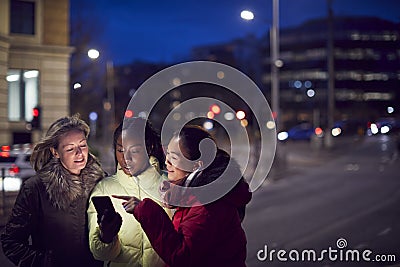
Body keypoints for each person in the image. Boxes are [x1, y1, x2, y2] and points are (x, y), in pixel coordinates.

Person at [114, 125, 252, 267]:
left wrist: (147, 211)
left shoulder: (207, 205)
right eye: (167, 154)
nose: (167, 162)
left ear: (196, 165)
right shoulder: (197, 195)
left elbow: (182, 256)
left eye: (173, 157)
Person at [1, 114, 106, 267]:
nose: (79, 153)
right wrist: (44, 262)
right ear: (55, 152)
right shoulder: (36, 188)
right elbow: (11, 241)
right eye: (70, 148)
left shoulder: (102, 183)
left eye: (82, 145)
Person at [87, 118, 170, 267]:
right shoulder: (105, 189)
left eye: (135, 151)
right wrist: (106, 236)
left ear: (149, 148)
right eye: (120, 150)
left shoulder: (170, 185)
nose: (126, 158)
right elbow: (99, 254)